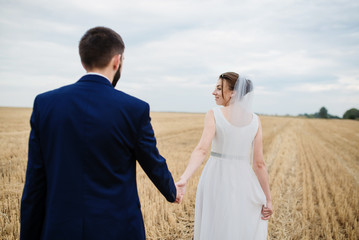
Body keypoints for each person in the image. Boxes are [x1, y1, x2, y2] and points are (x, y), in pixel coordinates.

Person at [20, 26, 179, 240]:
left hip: (60, 229)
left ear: (83, 59)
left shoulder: (45, 104)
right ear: (117, 60)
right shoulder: (134, 108)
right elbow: (152, 162)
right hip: (118, 229)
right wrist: (172, 191)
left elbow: (34, 182)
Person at [176, 72, 273, 239]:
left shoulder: (215, 113)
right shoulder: (255, 120)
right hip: (244, 181)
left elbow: (202, 150)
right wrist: (268, 200)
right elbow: (259, 164)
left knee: (215, 227)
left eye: (219, 88)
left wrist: (184, 178)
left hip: (216, 178)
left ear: (233, 93)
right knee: (238, 228)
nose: (213, 92)